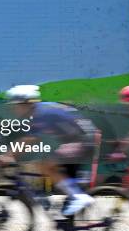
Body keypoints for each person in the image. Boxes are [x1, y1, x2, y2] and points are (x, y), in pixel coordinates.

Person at [5, 85, 96, 216]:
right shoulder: (41, 109)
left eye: (14, 105)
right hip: (81, 141)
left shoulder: (40, 114)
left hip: (82, 142)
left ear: (25, 103)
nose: (12, 109)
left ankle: (78, 197)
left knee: (46, 165)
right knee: (50, 168)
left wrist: (8, 156)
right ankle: (67, 225)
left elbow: (28, 140)